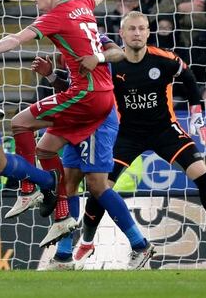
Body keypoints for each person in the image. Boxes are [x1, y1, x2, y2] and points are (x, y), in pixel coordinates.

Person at [75, 11, 206, 267]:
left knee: (203, 175)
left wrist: (196, 114)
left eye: (142, 28)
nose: (137, 33)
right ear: (121, 34)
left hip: (164, 129)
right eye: (131, 28)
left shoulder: (165, 60)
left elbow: (188, 77)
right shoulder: (112, 65)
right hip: (127, 133)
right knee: (100, 187)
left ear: (148, 32)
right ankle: (87, 243)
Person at [0, 0, 120, 246]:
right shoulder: (82, 5)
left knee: (19, 123)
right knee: (44, 149)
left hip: (86, 94)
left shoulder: (53, 17)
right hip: (100, 95)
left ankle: (29, 187)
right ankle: (62, 215)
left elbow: (14, 40)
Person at [31, 35, 154, 270]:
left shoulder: (93, 38)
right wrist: (50, 75)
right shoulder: (66, 43)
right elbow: (72, 89)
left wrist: (97, 57)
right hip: (76, 119)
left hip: (98, 120)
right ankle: (64, 256)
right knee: (68, 185)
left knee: (97, 185)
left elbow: (119, 53)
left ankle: (140, 245)